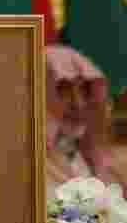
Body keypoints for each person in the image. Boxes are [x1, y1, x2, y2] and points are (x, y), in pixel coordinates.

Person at [45, 43, 124, 193]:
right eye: (64, 90)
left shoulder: (105, 164)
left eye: (85, 89)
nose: (78, 104)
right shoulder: (21, 163)